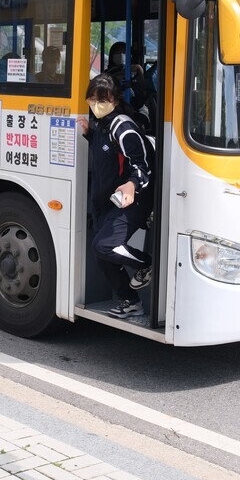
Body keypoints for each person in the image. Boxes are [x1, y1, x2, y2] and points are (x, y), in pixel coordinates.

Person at [76, 74, 154, 319]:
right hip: (104, 201)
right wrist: (89, 134)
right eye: (93, 98)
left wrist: (132, 185)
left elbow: (142, 164)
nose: (96, 103)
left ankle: (146, 263)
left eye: (103, 99)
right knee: (103, 256)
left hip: (130, 200)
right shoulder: (101, 123)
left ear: (114, 99)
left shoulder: (123, 125)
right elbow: (108, 155)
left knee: (104, 245)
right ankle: (130, 302)